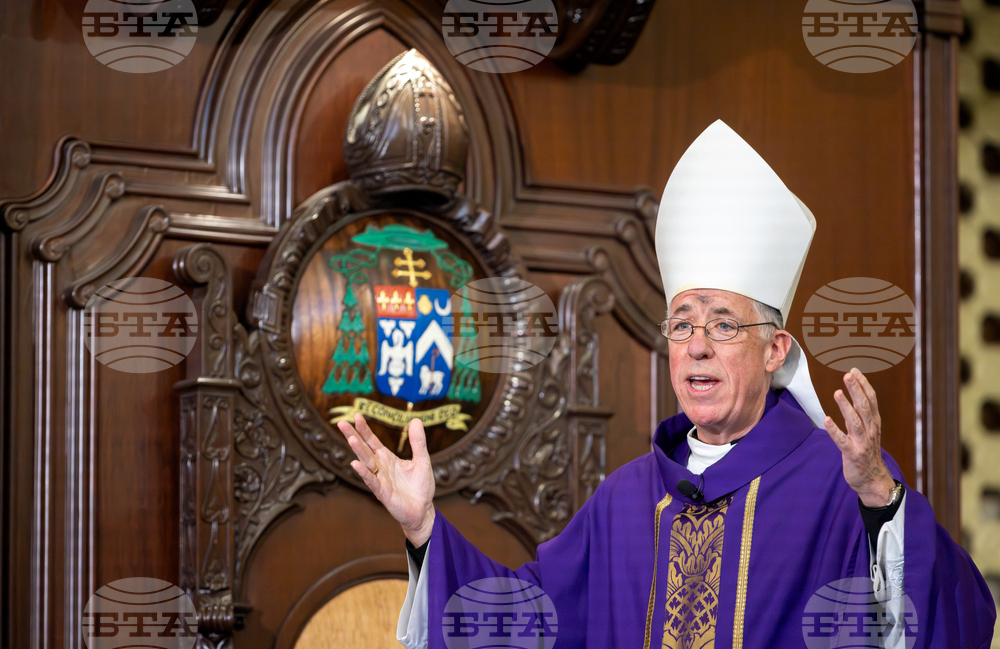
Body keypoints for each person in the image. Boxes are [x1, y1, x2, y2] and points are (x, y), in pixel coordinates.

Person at [337, 121, 997, 648]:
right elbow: (527, 622)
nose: (698, 345)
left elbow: (953, 622)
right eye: (682, 325)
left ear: (776, 349)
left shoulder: (842, 485)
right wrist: (425, 525)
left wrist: (883, 501)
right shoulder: (627, 499)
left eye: (721, 323)